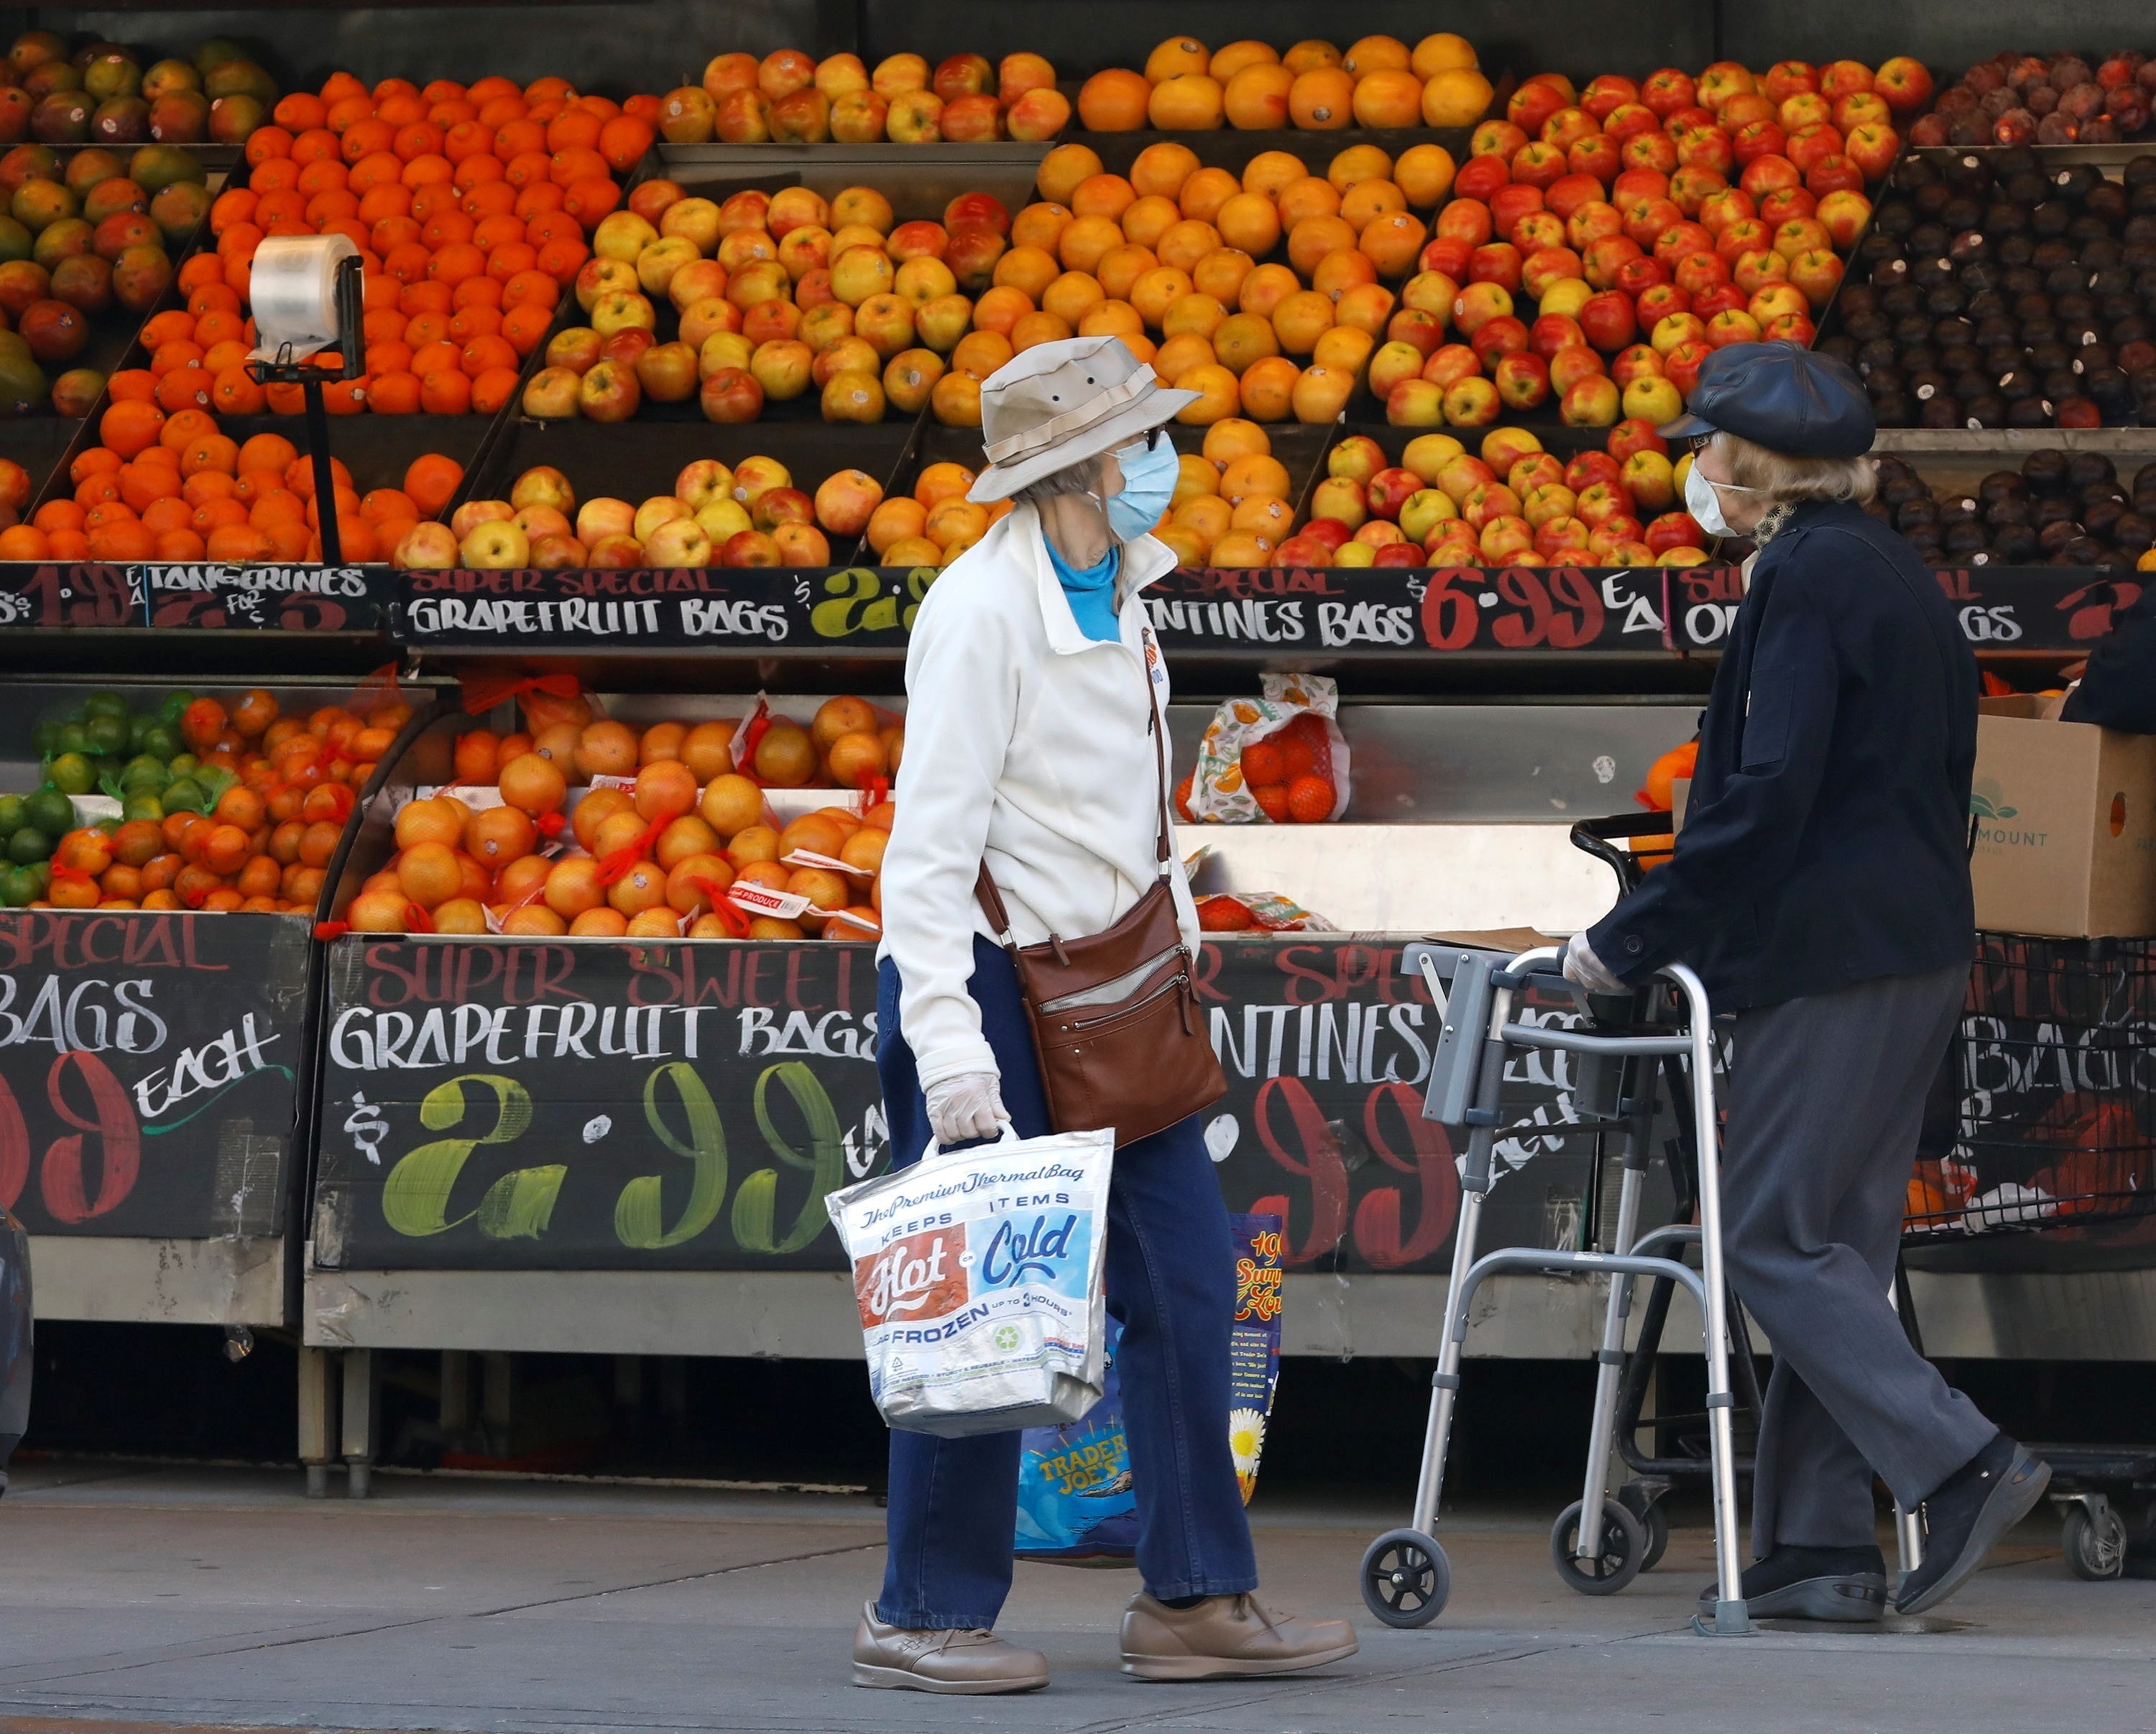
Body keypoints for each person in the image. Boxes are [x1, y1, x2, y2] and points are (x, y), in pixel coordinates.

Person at [854, 335, 1357, 1693]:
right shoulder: (979, 612)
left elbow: (1133, 816)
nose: (1162, 466)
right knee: (981, 1308)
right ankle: (923, 1612)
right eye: (1144, 445)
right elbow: (927, 853)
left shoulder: (1127, 594)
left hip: (1115, 989)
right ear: (1081, 468)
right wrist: (951, 1058)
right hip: (994, 995)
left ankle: (1194, 1596)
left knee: (1188, 1284)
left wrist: (1180, 972)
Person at [1565, 343, 2051, 1623]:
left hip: (1832, 952)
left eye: (1703, 450)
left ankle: (1960, 1459)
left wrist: (1631, 934)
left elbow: (1769, 796)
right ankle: (1817, 1542)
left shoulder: (1805, 581)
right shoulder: (1883, 565)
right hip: (1908, 938)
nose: (1692, 471)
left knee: (1769, 1235)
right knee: (1834, 1243)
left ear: (1743, 466)